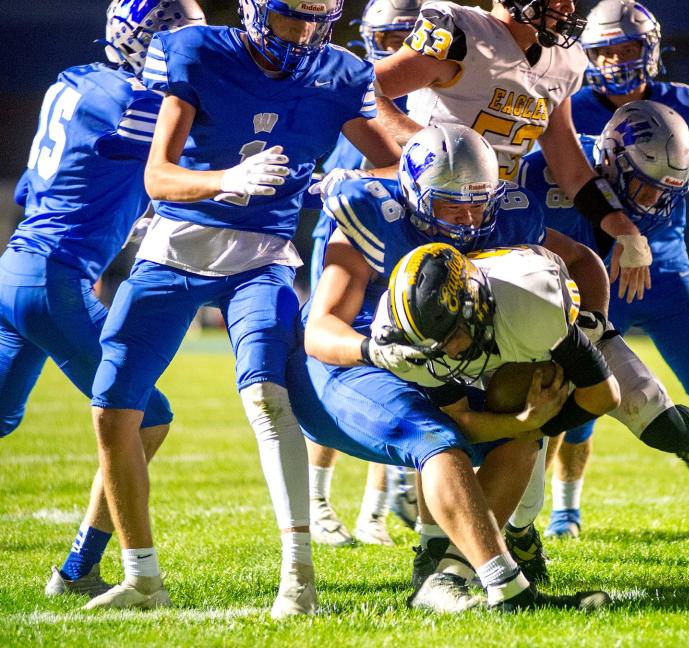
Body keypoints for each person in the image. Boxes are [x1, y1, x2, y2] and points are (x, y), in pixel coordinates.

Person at [84, 0, 400, 617]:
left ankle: (299, 578)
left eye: (317, 20)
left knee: (267, 397)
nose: (305, 33)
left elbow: (389, 160)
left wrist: (346, 182)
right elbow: (158, 178)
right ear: (258, 10)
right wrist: (225, 178)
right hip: (174, 245)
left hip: (263, 255)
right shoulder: (197, 51)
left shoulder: (339, 72)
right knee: (111, 409)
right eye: (292, 18)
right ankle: (141, 576)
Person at [288, 123, 612, 613]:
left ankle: (446, 575)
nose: (466, 216)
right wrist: (376, 352)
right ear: (415, 191)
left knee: (523, 423)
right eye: (447, 204)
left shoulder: (506, 217)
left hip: (448, 364)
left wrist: (592, 326)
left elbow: (584, 260)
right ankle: (508, 588)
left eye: (477, 201)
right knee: (435, 436)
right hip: (351, 365)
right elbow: (320, 331)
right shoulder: (376, 215)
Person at [528, 0, 689, 537]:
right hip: (596, 271)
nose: (619, 60)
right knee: (581, 394)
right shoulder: (569, 107)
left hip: (666, 272)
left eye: (628, 48)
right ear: (588, 55)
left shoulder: (684, 106)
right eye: (607, 51)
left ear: (651, 48)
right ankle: (563, 511)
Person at [0, 0, 204, 598]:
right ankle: (77, 568)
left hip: (17, 267)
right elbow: (188, 160)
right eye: (180, 40)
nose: (191, 54)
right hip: (52, 281)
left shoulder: (72, 83)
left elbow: (38, 186)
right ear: (147, 41)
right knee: (149, 416)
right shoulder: (140, 106)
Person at [373, 0, 655, 305]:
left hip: (490, 215)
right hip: (430, 209)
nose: (569, 7)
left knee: (581, 267)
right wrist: (429, 144)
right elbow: (366, 88)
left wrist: (624, 228)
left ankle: (599, 343)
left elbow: (570, 167)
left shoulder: (563, 60)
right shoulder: (464, 34)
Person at [307, 0, 425, 550]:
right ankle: (317, 502)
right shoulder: (348, 83)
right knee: (327, 352)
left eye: (407, 32)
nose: (396, 42)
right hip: (348, 231)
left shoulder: (436, 86)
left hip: (414, 233)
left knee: (407, 365)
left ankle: (374, 513)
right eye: (387, 34)